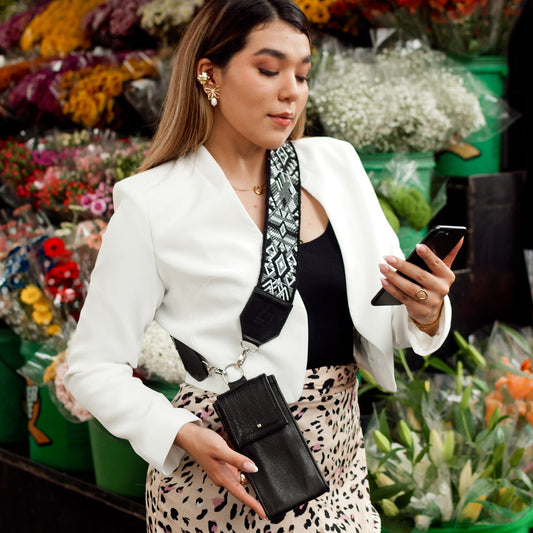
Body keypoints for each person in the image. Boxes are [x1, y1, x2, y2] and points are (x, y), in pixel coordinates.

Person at [64, 1, 462, 531]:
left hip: (340, 459)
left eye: (302, 74)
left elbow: (382, 322)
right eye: (269, 69)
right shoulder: (152, 203)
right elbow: (91, 366)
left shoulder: (334, 165)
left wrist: (427, 310)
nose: (291, 90)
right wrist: (178, 431)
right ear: (210, 74)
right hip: (226, 465)